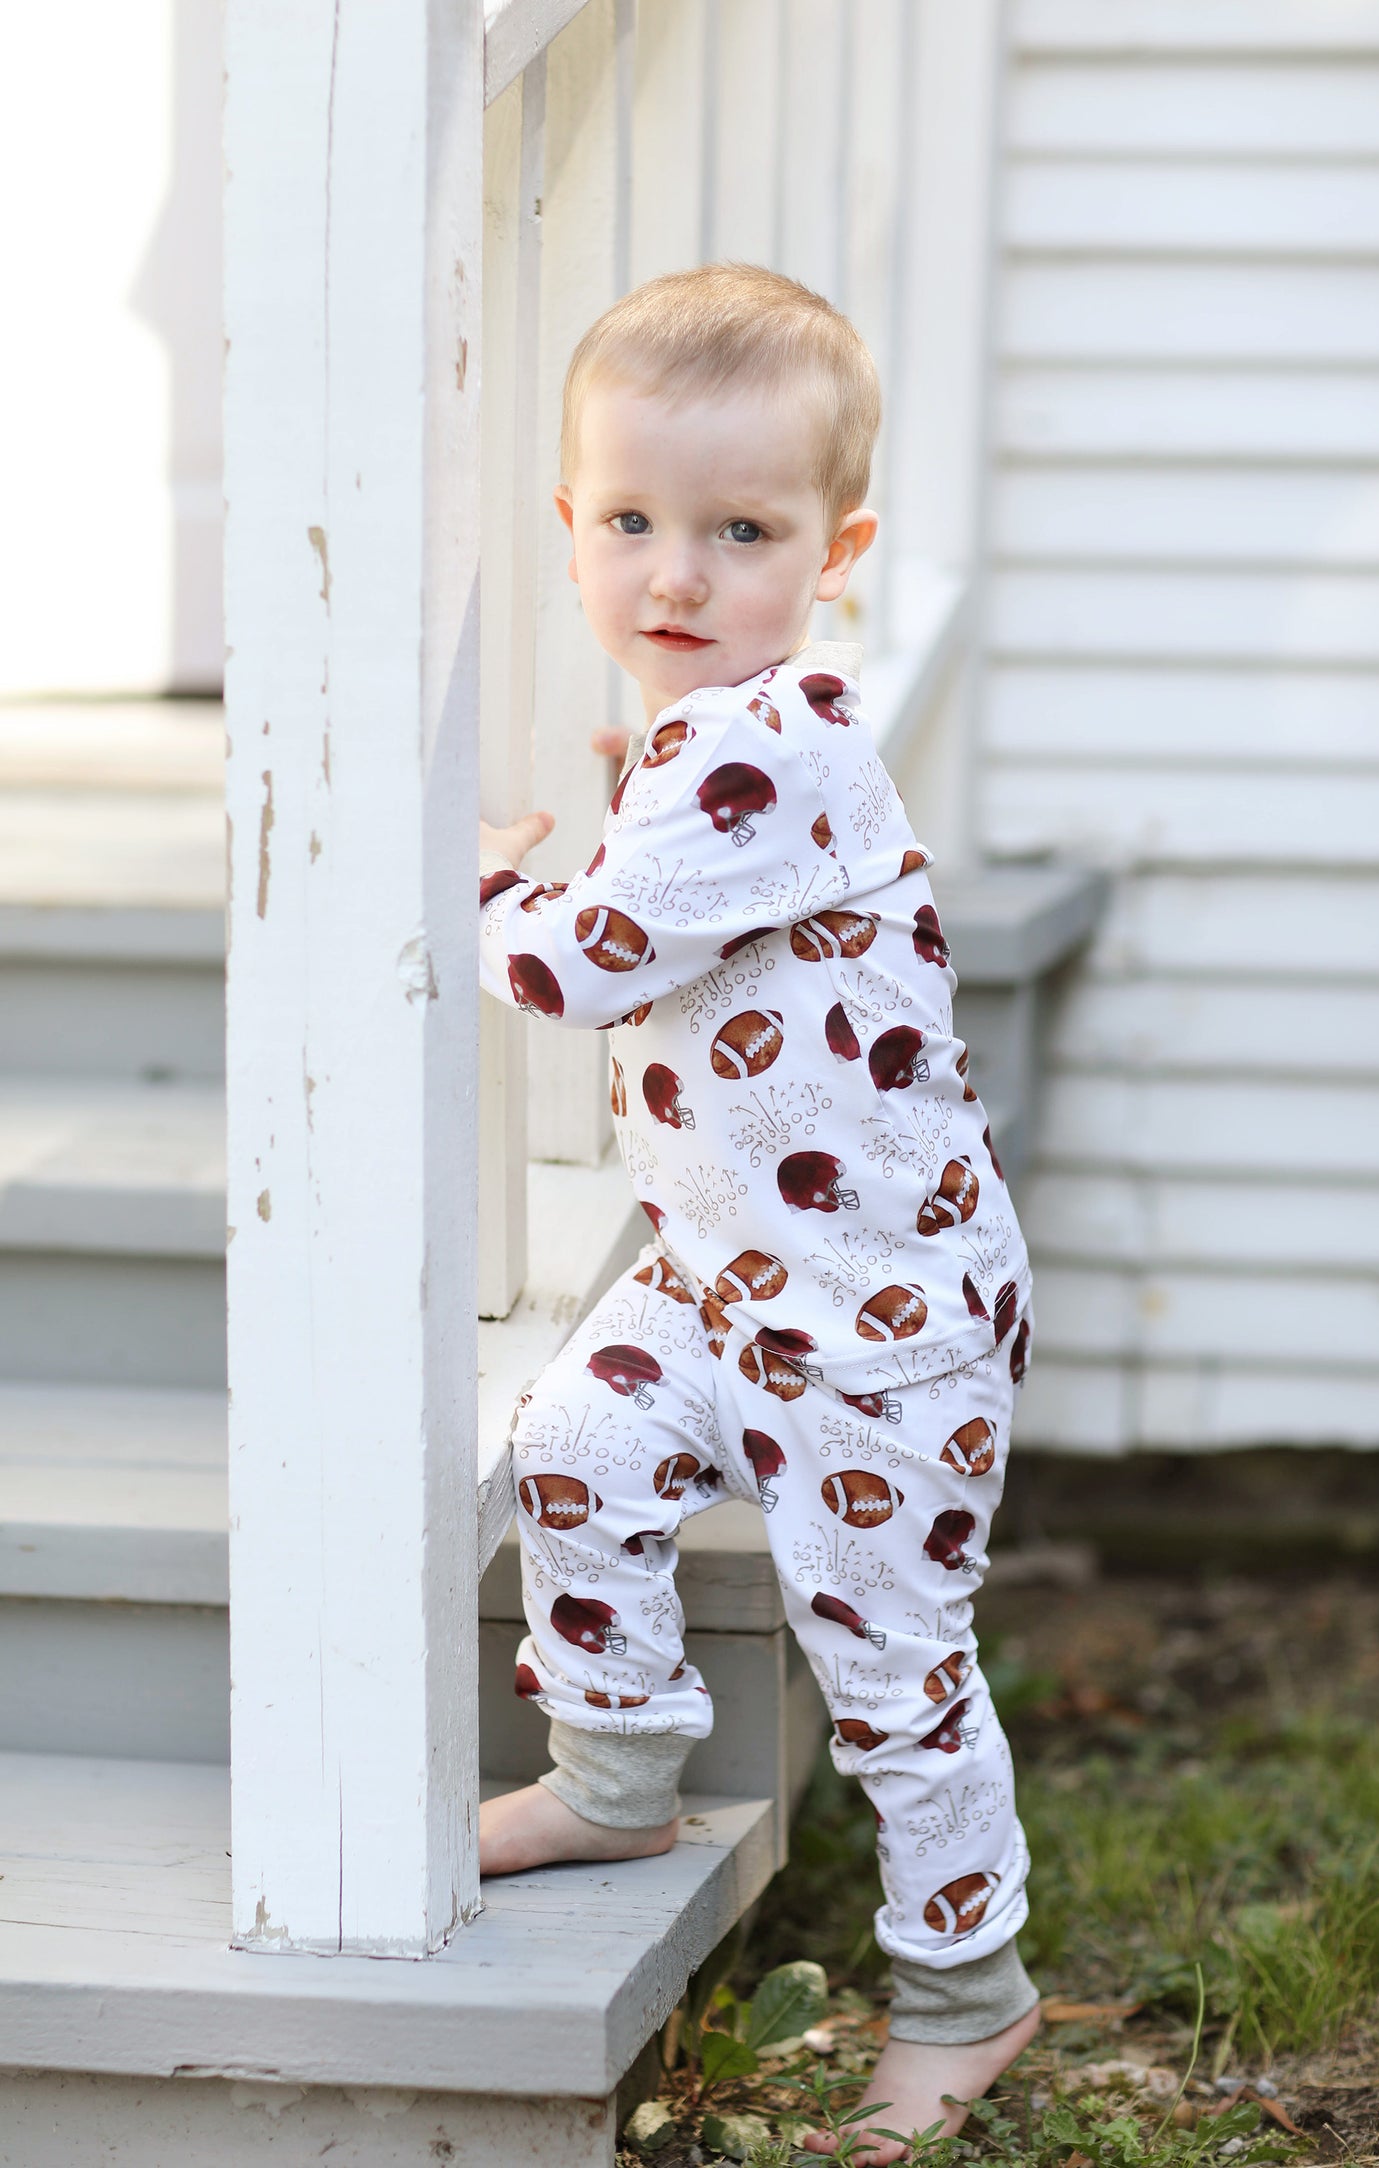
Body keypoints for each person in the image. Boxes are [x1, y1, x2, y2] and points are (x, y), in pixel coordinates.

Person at [475, 263, 1039, 2165]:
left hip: (885, 1316)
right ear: (573, 527)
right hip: (720, 1274)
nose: (676, 575)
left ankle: (970, 1993)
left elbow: (589, 960)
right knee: (571, 1438)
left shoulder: (760, 744)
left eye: (740, 532)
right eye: (630, 522)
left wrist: (471, 891)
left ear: (835, 548)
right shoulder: (692, 737)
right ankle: (619, 1770)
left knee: (892, 1671)